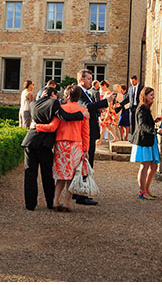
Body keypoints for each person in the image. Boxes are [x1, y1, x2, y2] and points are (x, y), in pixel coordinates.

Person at [22, 84, 84, 210]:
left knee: (30, 173)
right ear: (52, 94)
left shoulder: (34, 103)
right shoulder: (53, 103)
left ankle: (30, 205)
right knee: (47, 174)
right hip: (44, 143)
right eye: (56, 95)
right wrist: (82, 115)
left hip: (30, 141)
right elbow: (64, 117)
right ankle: (51, 203)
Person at [51, 84, 90, 212]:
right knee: (72, 176)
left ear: (67, 96)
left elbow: (54, 126)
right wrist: (86, 149)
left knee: (61, 175)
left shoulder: (61, 108)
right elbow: (86, 133)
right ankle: (67, 203)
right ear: (79, 97)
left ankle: (55, 201)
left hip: (62, 143)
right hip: (76, 144)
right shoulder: (83, 111)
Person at [74, 69, 108, 206]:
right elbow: (86, 106)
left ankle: (77, 191)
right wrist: (106, 101)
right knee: (86, 162)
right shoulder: (79, 91)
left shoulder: (85, 92)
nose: (91, 81)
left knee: (85, 162)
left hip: (90, 131)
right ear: (82, 80)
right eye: (88, 78)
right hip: (86, 133)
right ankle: (82, 195)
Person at [131, 86, 162, 200]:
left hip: (149, 140)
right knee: (145, 166)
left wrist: (154, 122)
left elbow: (146, 123)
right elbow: (142, 125)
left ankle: (147, 189)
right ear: (145, 96)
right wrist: (155, 130)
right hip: (143, 140)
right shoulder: (141, 108)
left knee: (153, 166)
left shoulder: (146, 108)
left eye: (153, 95)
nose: (153, 98)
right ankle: (142, 191)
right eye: (151, 95)